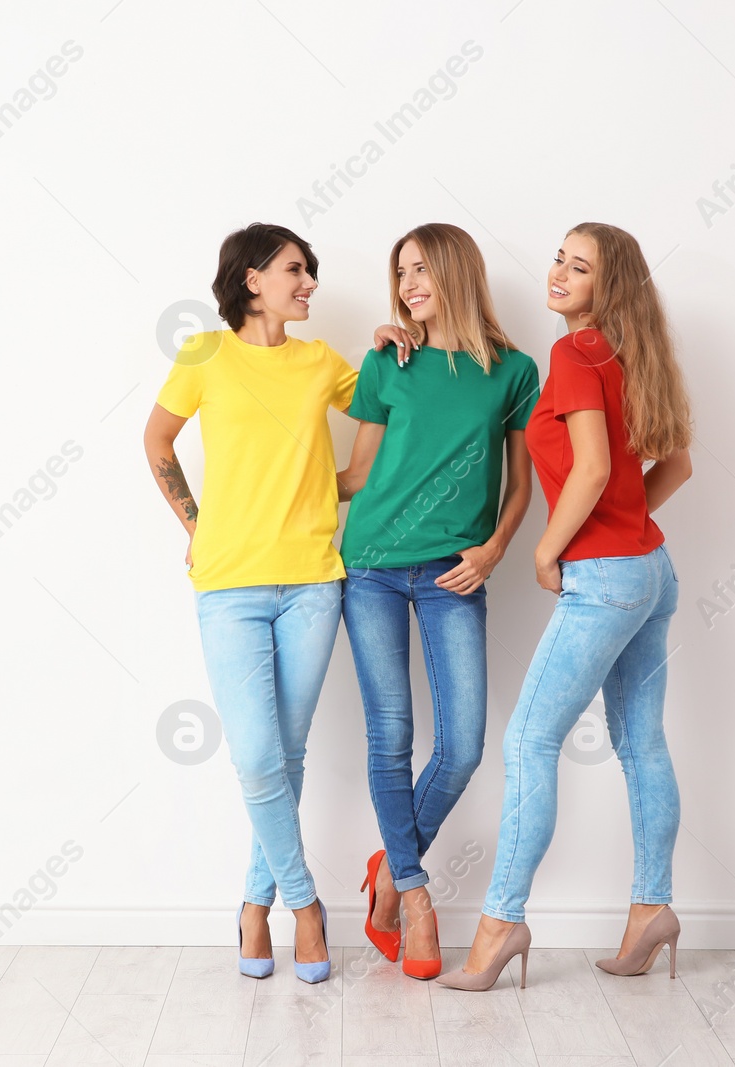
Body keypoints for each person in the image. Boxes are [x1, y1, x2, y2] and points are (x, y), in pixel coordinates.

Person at [143, 223, 411, 983]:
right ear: (252, 277)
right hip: (228, 584)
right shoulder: (203, 354)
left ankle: (252, 907)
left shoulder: (321, 362)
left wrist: (392, 347)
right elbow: (158, 441)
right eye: (297, 270)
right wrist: (197, 524)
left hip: (314, 582)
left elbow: (390, 409)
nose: (310, 284)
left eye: (312, 272)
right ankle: (302, 905)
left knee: (284, 756)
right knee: (259, 755)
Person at [439, 222, 695, 991]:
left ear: (606, 287)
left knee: (527, 744)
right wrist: (622, 528)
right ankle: (652, 908)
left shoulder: (574, 353)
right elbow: (675, 464)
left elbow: (587, 471)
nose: (558, 273)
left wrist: (551, 549)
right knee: (642, 744)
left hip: (605, 579)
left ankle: (499, 927)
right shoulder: (632, 355)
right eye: (559, 257)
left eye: (578, 267)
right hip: (651, 569)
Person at [335, 223, 538, 978]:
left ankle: (388, 866)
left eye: (421, 268)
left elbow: (521, 485)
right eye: (401, 272)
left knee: (464, 744)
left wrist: (493, 550)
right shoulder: (388, 359)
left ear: (455, 271)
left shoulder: (514, 371)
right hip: (374, 566)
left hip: (457, 571)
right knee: (391, 733)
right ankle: (414, 895)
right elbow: (356, 474)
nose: (409, 282)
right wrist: (267, 499)